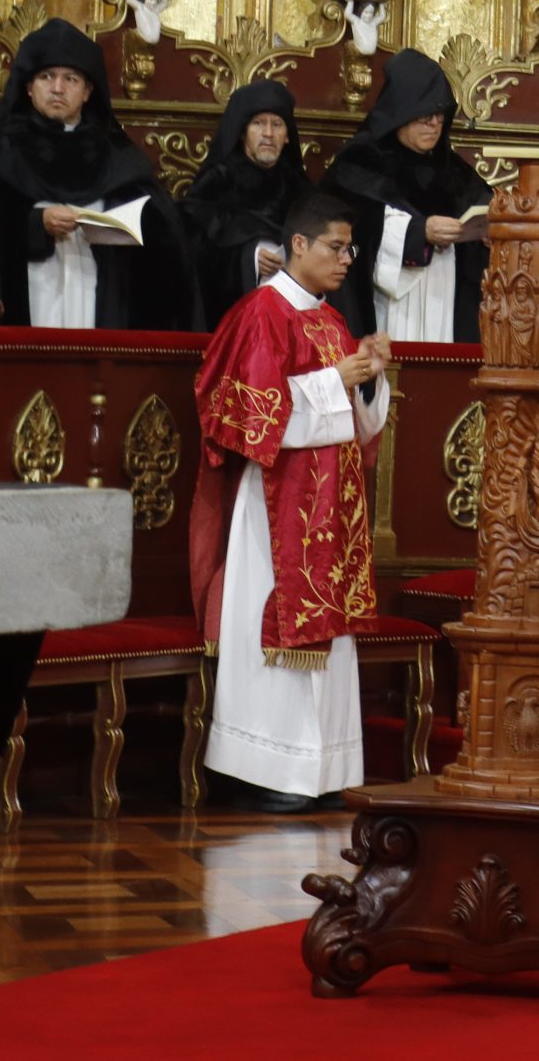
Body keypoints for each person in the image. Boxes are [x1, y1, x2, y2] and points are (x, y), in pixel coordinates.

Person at [191, 194, 390, 810]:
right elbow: (244, 416)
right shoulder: (260, 313)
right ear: (298, 244)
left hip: (331, 510)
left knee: (331, 649)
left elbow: (360, 427)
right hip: (274, 512)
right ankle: (268, 771)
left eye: (351, 249)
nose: (346, 260)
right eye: (336, 247)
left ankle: (323, 770)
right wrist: (338, 382)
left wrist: (372, 377)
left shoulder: (330, 322)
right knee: (271, 634)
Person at [0, 18, 196, 331]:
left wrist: (114, 221)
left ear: (88, 91)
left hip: (99, 292)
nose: (58, 88)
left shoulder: (116, 154)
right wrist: (35, 222)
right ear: (29, 87)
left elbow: (165, 233)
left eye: (71, 79)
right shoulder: (3, 150)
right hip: (31, 290)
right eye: (47, 77)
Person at [326, 50, 492, 345]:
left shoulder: (453, 170)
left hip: (446, 296)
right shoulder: (360, 162)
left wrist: (489, 235)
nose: (434, 124)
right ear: (401, 111)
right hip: (388, 302)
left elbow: (487, 210)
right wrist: (419, 232)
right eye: (425, 114)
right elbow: (351, 237)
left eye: (440, 114)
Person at [181, 82, 309, 328]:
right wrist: (248, 259)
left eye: (277, 124)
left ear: (288, 136)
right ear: (242, 132)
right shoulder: (218, 182)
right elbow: (193, 249)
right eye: (258, 123)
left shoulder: (302, 189)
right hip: (231, 318)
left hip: (293, 318)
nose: (268, 133)